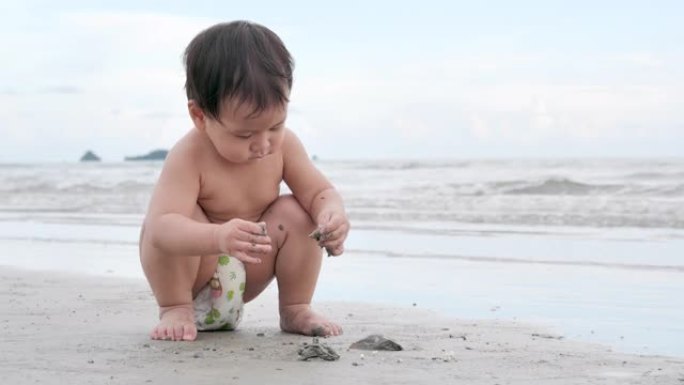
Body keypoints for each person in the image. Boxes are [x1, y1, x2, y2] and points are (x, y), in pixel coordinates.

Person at [139, 20, 350, 341]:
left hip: (249, 269)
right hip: (195, 275)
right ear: (200, 117)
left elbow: (320, 191)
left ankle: (295, 307)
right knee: (174, 220)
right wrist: (218, 237)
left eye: (275, 126)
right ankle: (175, 308)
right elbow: (160, 229)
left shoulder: (285, 147)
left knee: (298, 209)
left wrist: (331, 215)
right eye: (245, 134)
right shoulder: (189, 155)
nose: (264, 143)